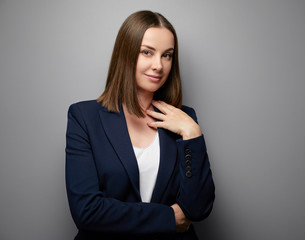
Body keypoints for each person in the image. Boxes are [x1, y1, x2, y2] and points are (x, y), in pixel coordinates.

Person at [65, 10, 215, 240]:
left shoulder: (185, 118)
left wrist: (192, 133)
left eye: (167, 55)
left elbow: (198, 209)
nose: (159, 65)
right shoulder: (84, 117)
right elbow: (87, 211)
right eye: (147, 52)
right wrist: (167, 218)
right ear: (125, 54)